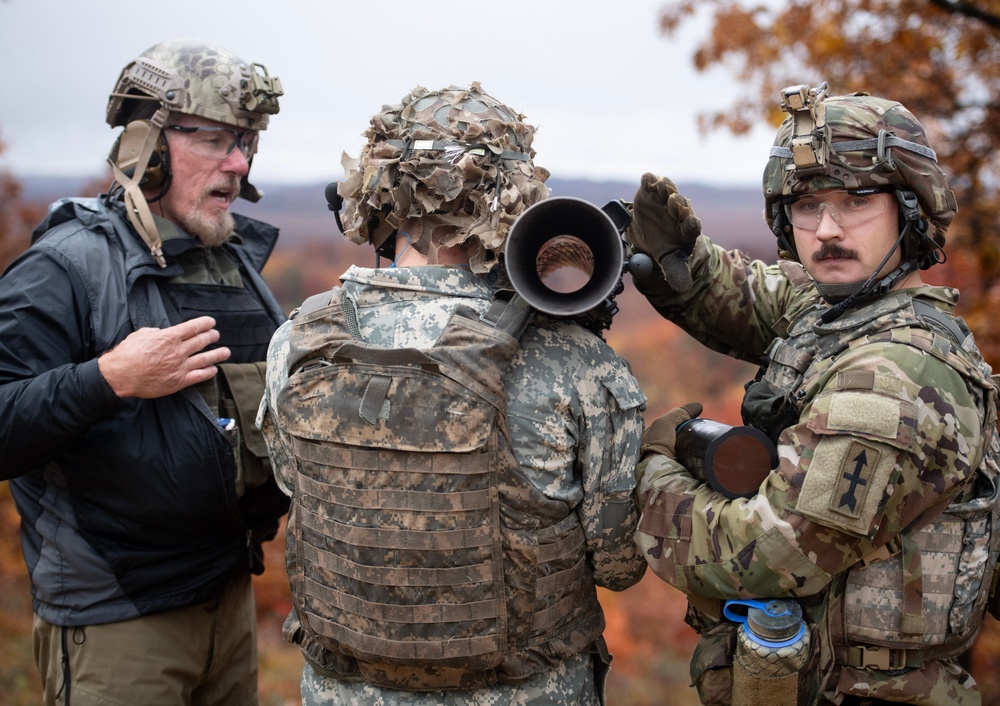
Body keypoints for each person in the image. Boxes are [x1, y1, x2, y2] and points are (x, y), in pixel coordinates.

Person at [259, 83, 648, 705]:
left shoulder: (297, 339)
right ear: (516, 197)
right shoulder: (572, 362)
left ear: (376, 191)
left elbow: (294, 487)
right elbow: (619, 563)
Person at [624, 83, 1000, 705]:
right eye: (805, 205)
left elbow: (766, 554)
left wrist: (649, 474)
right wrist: (682, 262)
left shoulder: (894, 376)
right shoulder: (852, 313)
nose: (826, 228)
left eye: (855, 200)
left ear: (909, 208)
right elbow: (761, 296)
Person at [0, 39, 290, 705]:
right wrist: (108, 378)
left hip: (228, 596)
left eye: (246, 141)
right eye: (218, 139)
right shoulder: (64, 267)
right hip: (118, 623)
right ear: (148, 147)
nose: (240, 164)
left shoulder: (229, 258)